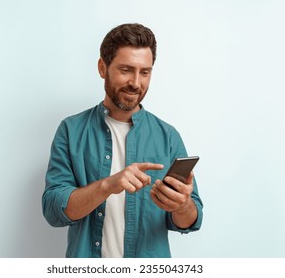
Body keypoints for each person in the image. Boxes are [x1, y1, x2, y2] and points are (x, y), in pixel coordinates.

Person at [42, 23, 203, 258]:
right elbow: (53, 209)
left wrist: (182, 205)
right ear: (102, 67)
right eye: (126, 69)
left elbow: (190, 219)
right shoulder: (71, 130)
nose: (136, 83)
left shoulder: (168, 136)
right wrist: (109, 185)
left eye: (145, 72)